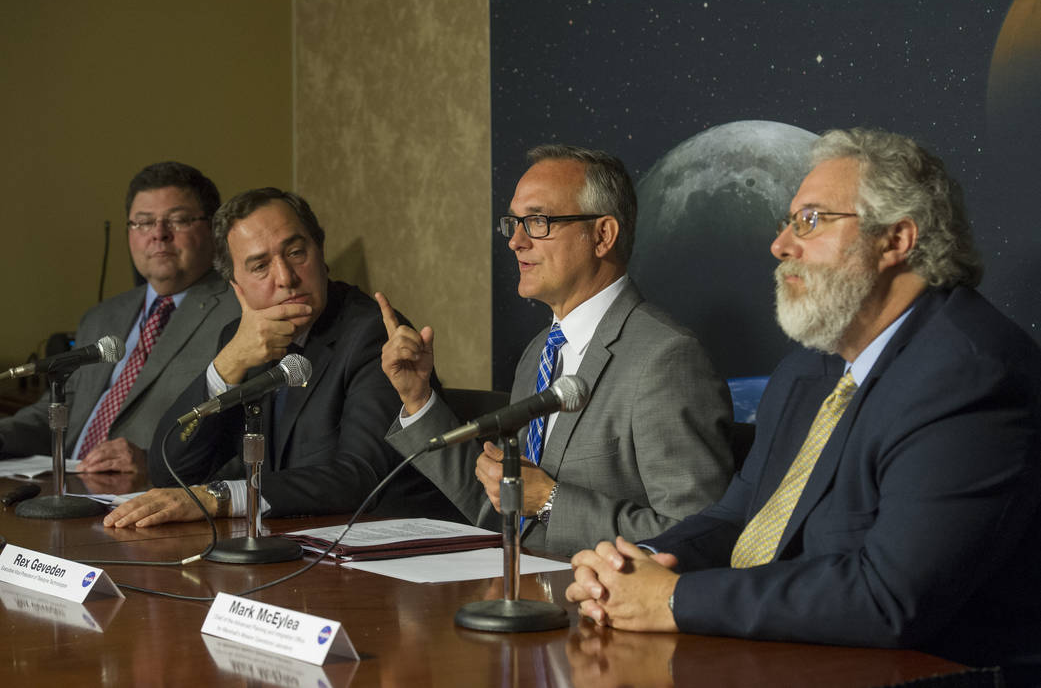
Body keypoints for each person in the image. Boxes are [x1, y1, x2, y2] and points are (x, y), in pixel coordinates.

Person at [566, 128, 1041, 679]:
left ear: (896, 240)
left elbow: (886, 597)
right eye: (786, 222)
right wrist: (632, 563)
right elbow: (737, 519)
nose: (781, 245)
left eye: (810, 221)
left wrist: (672, 599)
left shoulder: (973, 376)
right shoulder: (807, 371)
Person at [380, 145, 734, 557]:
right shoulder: (539, 353)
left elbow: (697, 536)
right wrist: (418, 398)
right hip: (523, 595)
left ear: (602, 235)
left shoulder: (666, 358)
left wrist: (549, 500)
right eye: (513, 222)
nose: (515, 241)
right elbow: (506, 517)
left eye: (537, 221)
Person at [103, 188, 460, 527]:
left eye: (296, 253)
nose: (286, 278)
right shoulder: (241, 342)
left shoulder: (371, 334)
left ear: (320, 250)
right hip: (296, 548)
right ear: (236, 287)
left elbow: (360, 478)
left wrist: (223, 497)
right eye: (260, 266)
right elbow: (172, 471)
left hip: (394, 553)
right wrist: (227, 365)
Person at [0, 162, 239, 475]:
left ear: (212, 228)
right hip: (65, 482)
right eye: (143, 222)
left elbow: (241, 437)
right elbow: (58, 408)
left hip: (145, 496)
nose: (158, 235)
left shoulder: (239, 313)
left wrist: (151, 461)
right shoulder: (102, 316)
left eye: (177, 220)